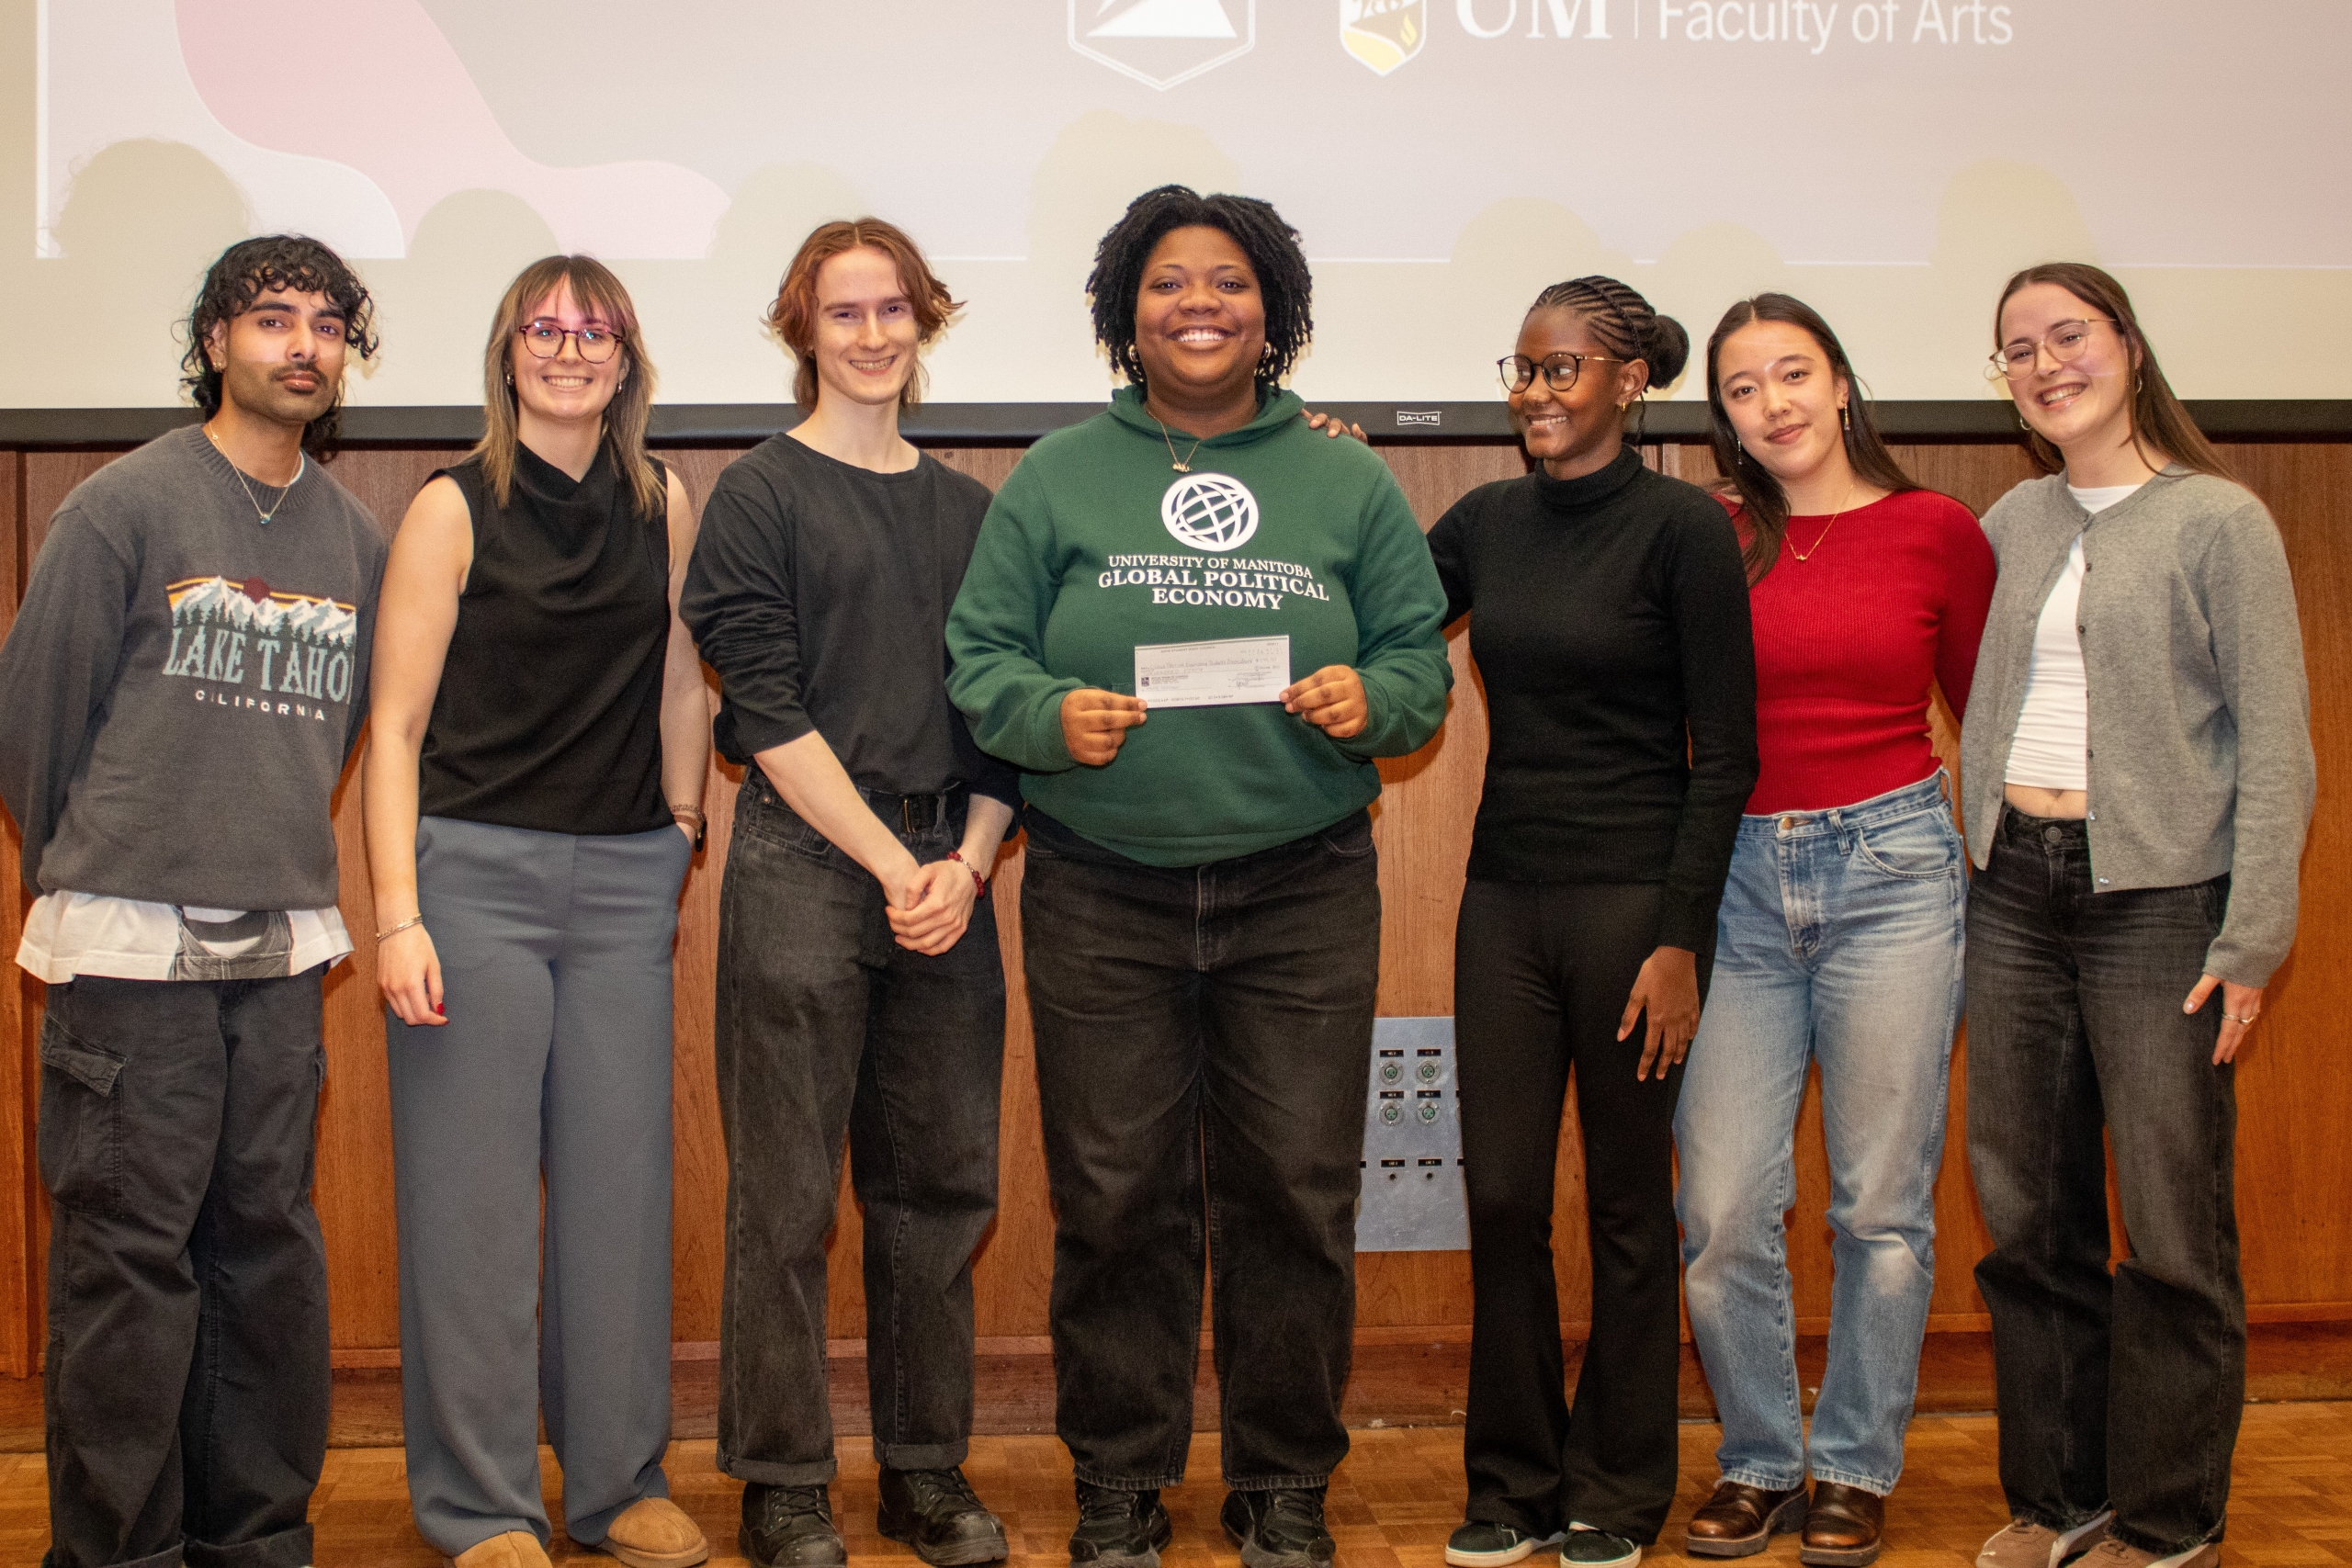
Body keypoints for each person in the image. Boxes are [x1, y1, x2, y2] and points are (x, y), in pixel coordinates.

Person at [945, 185, 1452, 1568]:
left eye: (1227, 282)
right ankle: (1121, 1481)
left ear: (1271, 309)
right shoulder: (1057, 477)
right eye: (1168, 283)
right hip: (1104, 889)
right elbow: (983, 660)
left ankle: (1285, 1482)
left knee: (1295, 1190)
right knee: (1116, 1199)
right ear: (1127, 313)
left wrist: (1375, 699)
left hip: (1302, 889)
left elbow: (1421, 660)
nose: (1199, 306)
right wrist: (1053, 719)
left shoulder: (1346, 480)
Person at [0, 235, 386, 1568]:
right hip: (128, 958)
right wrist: (123, 859)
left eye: (329, 325)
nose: (303, 345)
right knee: (128, 1271)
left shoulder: (354, 537)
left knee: (266, 1262)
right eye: (272, 318)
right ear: (216, 340)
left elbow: (329, 744)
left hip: (280, 960)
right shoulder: (123, 506)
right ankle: (120, 1554)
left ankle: (255, 1541)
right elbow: (34, 727)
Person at [679, 218, 1020, 1568]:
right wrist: (895, 868)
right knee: (785, 1194)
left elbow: (1010, 717)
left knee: (939, 1189)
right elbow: (759, 705)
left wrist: (969, 863)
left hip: (954, 866)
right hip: (808, 865)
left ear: (923, 324)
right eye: (843, 314)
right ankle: (782, 1480)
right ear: (802, 332)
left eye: (893, 311)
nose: (871, 336)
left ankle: (925, 1470)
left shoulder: (973, 512)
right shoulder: (759, 495)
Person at [361, 256, 711, 1568]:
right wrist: (399, 916)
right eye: (544, 328)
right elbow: (392, 730)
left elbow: (685, 676)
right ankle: (482, 1505)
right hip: (472, 884)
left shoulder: (664, 498)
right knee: (474, 1213)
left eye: (595, 328)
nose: (569, 348)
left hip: (626, 884)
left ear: (627, 356)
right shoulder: (452, 508)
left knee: (621, 1202)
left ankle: (619, 1490)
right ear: (508, 353)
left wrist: (682, 825)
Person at [1963, 265, 2312, 1568]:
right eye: (2018, 350)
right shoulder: (2011, 520)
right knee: (2029, 1218)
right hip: (2011, 892)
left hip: (2161, 902)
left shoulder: (2220, 521)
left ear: (2128, 345)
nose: (2047, 364)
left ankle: (2168, 1523)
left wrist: (2252, 941)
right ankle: (2060, 1500)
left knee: (2169, 1231)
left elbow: (2280, 749)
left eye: (2069, 336)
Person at [1426, 276, 1757, 1568]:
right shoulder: (1487, 522)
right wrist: (1310, 473)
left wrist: (1682, 942)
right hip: (1502, 899)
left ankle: (1616, 1489)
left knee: (1628, 1206)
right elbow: (1378, 609)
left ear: (1631, 382)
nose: (1535, 392)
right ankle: (1510, 1482)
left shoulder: (1685, 530)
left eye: (1561, 370)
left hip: (1636, 911)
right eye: (1521, 368)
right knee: (1503, 1196)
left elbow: (1722, 756)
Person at [1673, 295, 1995, 1564]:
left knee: (1879, 1206)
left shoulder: (1938, 532)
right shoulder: (1707, 537)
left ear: (1845, 384)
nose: (1775, 405)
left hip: (1897, 869)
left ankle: (1854, 1465)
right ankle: (1758, 1457)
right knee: (1726, 1207)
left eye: (1794, 374)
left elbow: (1987, 709)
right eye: (1743, 389)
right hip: (1737, 878)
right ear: (1725, 419)